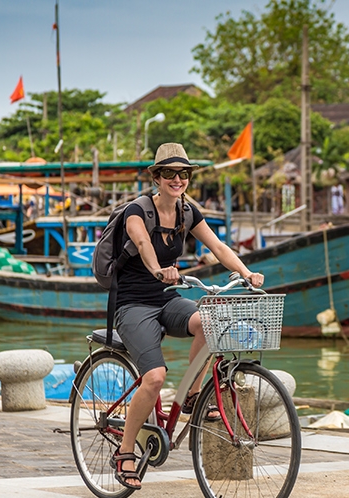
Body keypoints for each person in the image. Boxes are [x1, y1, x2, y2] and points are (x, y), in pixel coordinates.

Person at [111, 143, 264, 490]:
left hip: (167, 298)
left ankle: (193, 395)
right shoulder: (138, 210)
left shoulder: (187, 211)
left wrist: (246, 272)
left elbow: (219, 247)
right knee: (153, 378)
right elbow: (144, 244)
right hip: (133, 304)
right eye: (169, 173)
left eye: (184, 174)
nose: (177, 179)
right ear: (156, 177)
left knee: (211, 322)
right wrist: (157, 269)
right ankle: (124, 452)